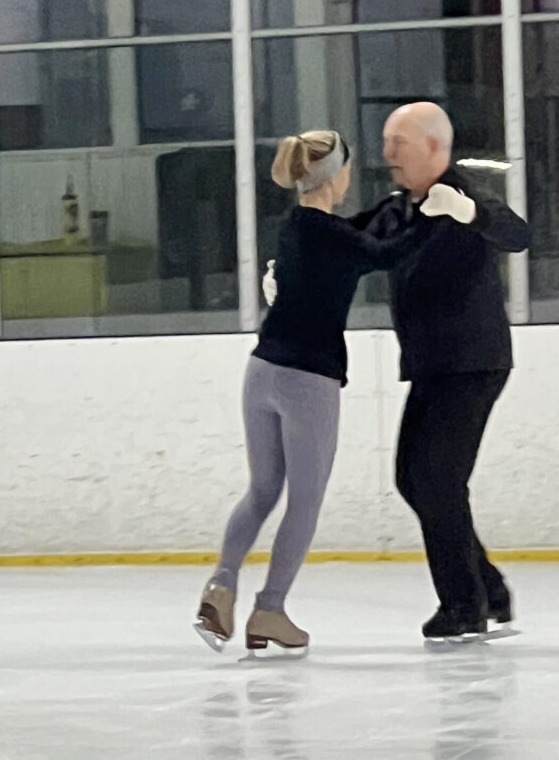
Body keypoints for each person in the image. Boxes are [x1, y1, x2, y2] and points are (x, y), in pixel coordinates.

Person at [266, 104, 530, 641]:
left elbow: (517, 233)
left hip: (472, 363)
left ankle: (464, 605)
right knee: (415, 478)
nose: (386, 153)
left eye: (398, 142)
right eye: (386, 141)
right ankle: (487, 588)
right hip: (432, 366)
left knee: (435, 480)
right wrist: (288, 275)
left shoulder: (462, 196)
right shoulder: (394, 210)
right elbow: (336, 241)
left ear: (434, 147)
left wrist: (469, 214)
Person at [196, 128, 458, 655]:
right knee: (305, 501)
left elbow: (355, 250)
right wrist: (439, 213)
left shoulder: (291, 226)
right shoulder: (334, 236)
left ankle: (221, 584)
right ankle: (269, 610)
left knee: (263, 490)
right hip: (307, 380)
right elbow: (390, 254)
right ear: (334, 175)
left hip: (262, 371)